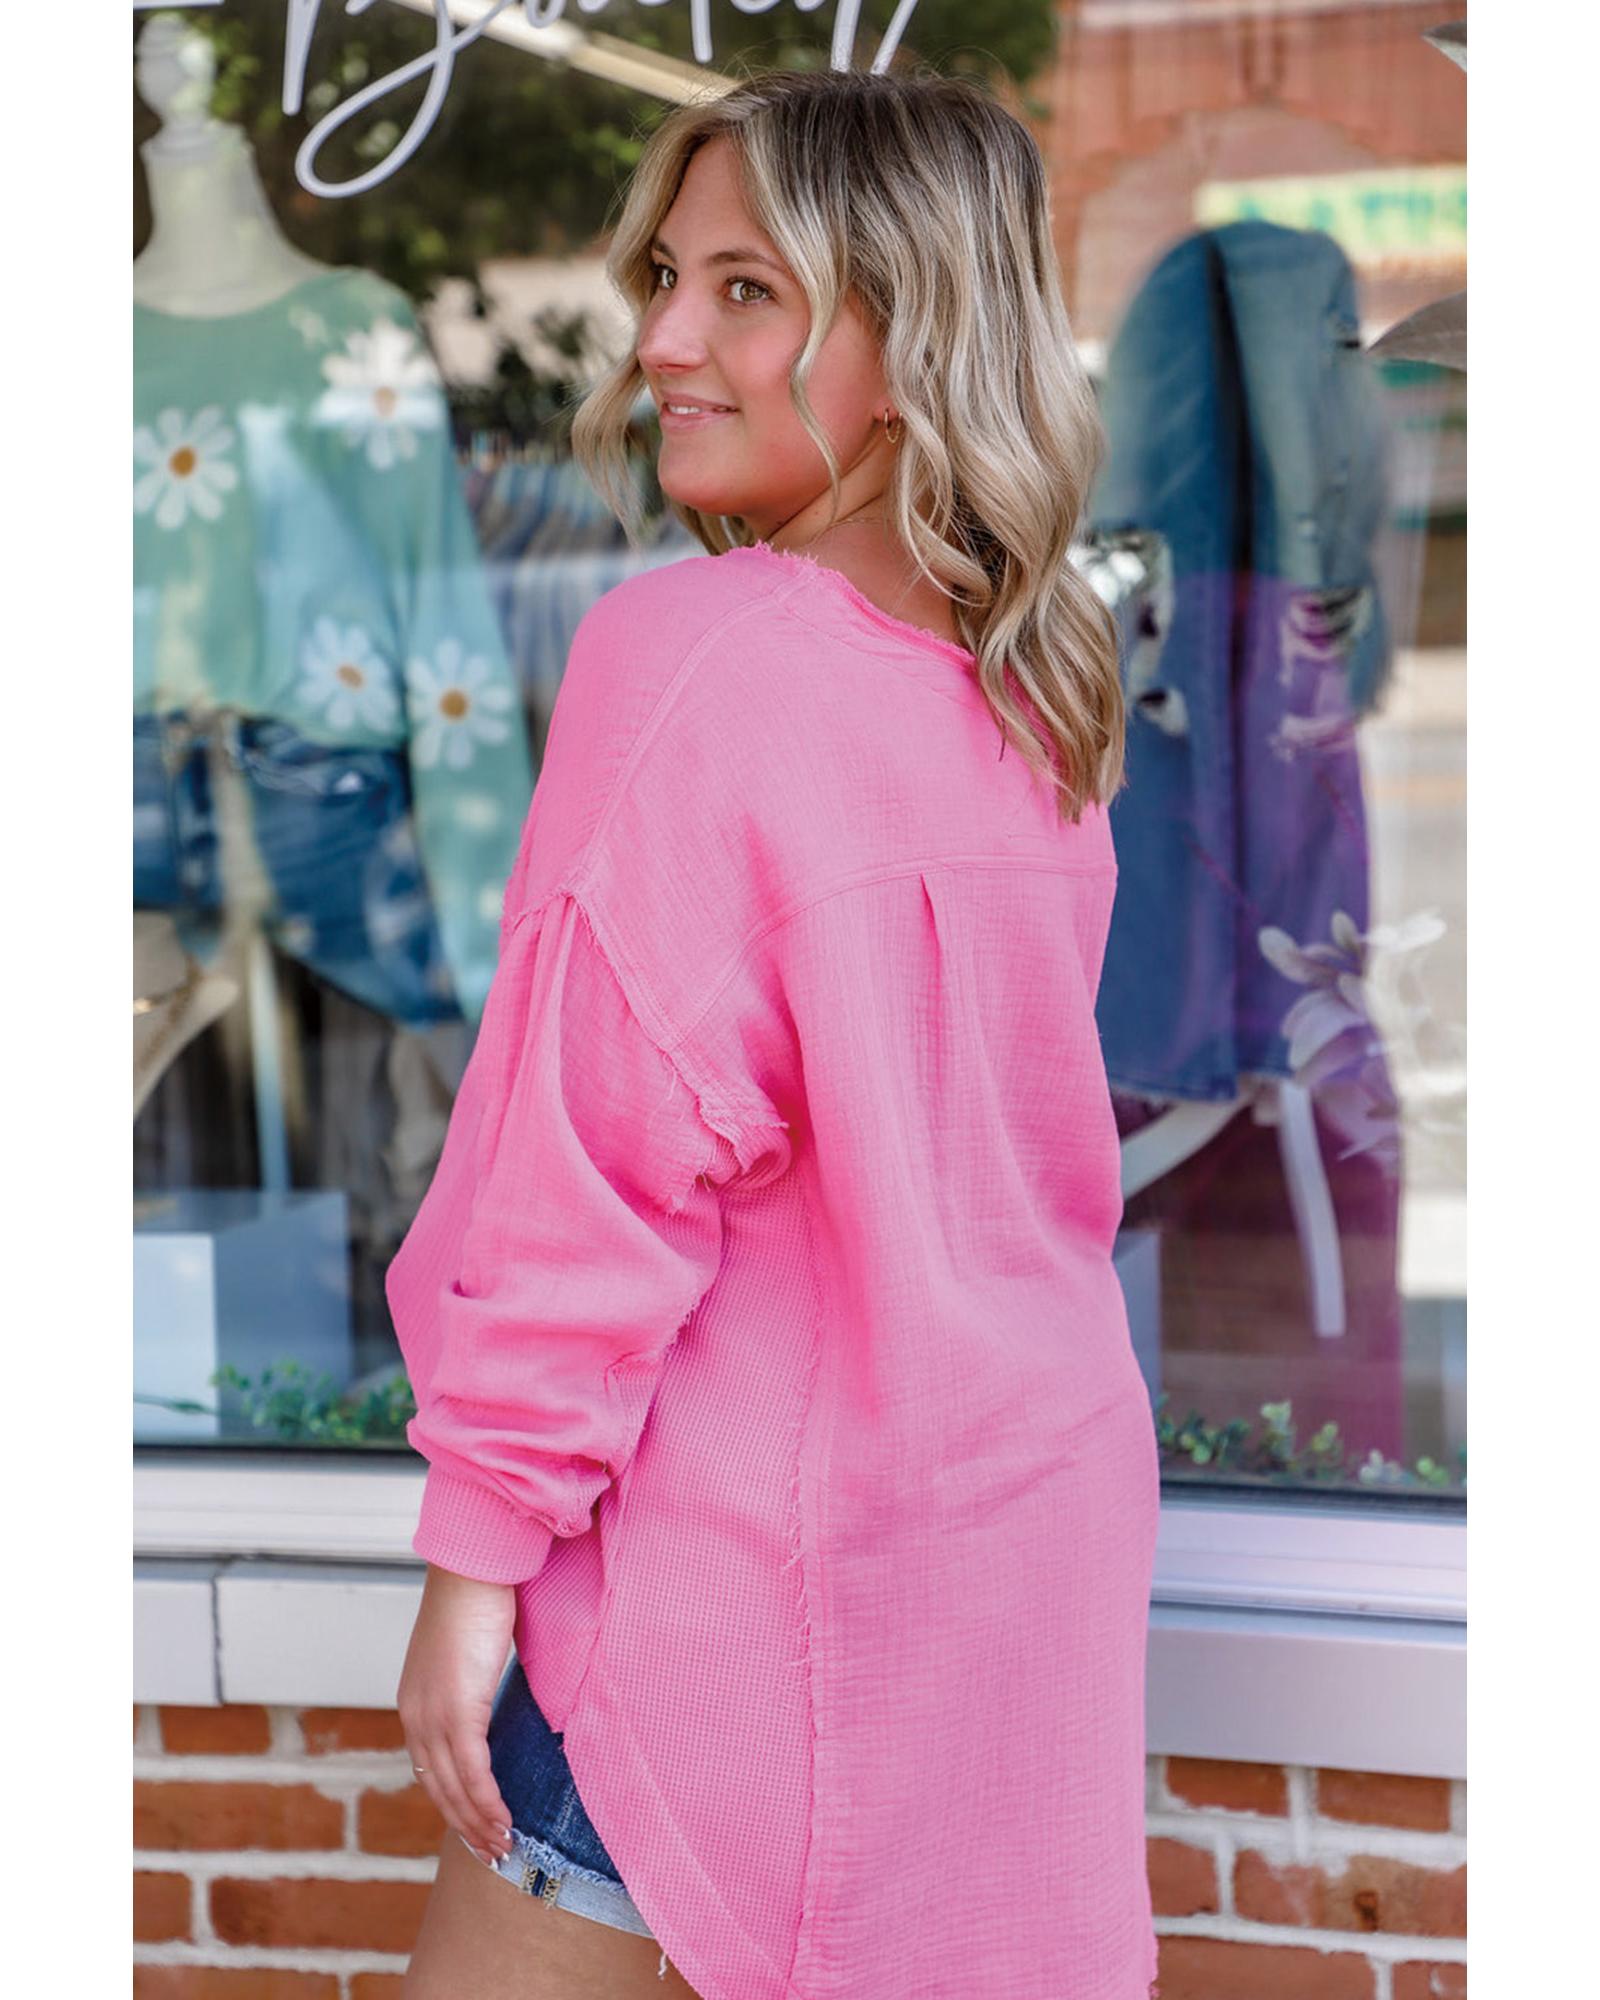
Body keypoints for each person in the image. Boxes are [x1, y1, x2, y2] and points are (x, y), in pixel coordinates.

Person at [388, 64, 1162, 2000]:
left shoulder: (697, 657)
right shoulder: (1038, 690)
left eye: (746, 289)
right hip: (1016, 1557)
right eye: (666, 277)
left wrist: (472, 1564)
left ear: (913, 333)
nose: (661, 339)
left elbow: (584, 1176)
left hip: (739, 1590)